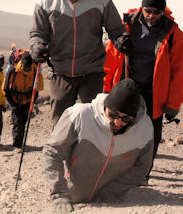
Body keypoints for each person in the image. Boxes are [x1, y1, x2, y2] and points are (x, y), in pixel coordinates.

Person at [29, 0, 132, 126]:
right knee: (60, 124)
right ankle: (60, 153)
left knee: (92, 122)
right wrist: (37, 47)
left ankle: (88, 154)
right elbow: (37, 33)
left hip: (92, 71)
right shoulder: (46, 2)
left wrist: (121, 39)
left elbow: (116, 28)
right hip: (60, 72)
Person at [103, 0, 183, 178]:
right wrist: (106, 89)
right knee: (118, 129)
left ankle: (142, 174)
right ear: (142, 7)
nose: (151, 15)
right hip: (126, 89)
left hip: (153, 93)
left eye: (156, 12)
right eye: (148, 10)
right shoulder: (126, 26)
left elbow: (178, 73)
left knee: (151, 136)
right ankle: (114, 170)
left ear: (163, 11)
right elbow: (111, 59)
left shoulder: (174, 34)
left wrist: (173, 105)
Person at [43, 78, 154, 212]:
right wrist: (59, 194)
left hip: (113, 197)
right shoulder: (79, 115)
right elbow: (52, 152)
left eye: (126, 119)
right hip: (72, 191)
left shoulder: (145, 128)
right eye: (113, 115)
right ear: (105, 106)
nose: (118, 122)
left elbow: (142, 166)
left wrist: (113, 190)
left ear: (135, 117)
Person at [3, 52, 44, 152]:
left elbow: (36, 90)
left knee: (23, 122)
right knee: (17, 123)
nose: (26, 69)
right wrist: (12, 103)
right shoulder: (13, 71)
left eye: (28, 67)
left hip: (27, 101)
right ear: (22, 64)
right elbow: (5, 89)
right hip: (15, 100)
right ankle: (16, 145)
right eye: (25, 67)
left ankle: (20, 143)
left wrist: (32, 102)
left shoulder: (35, 71)